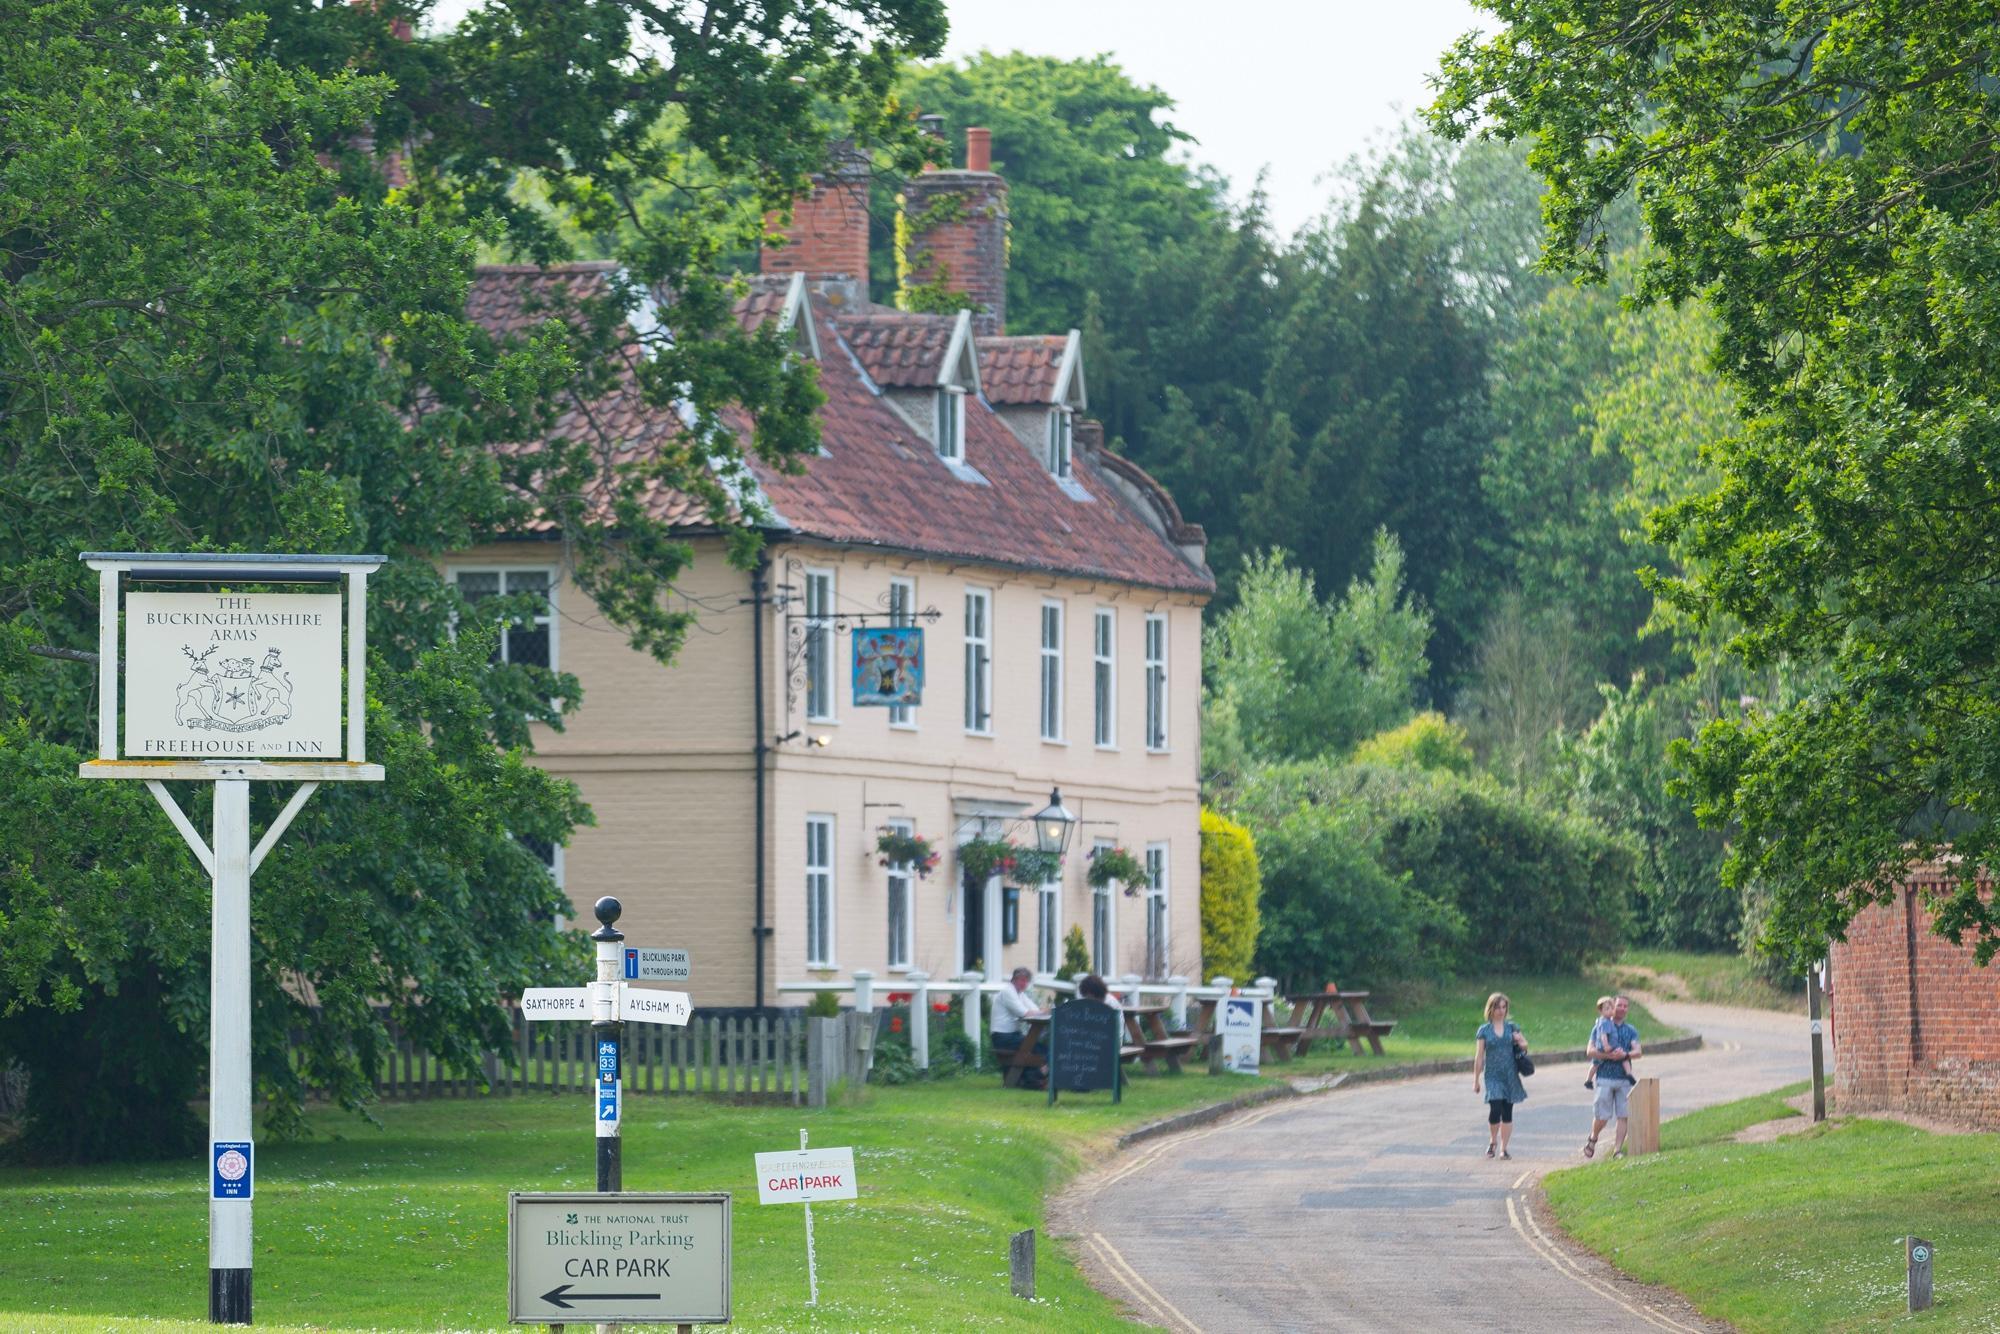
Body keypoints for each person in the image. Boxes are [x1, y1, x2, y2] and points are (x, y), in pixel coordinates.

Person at [1583, 994, 1642, 1158]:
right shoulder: (1600, 1026)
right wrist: (1610, 1056)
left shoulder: (1630, 1030)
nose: (1622, 1009)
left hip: (1624, 1079)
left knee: (1624, 1115)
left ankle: (1617, 1150)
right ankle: (1593, 1137)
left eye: (1625, 1006)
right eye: (1619, 1005)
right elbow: (1590, 1051)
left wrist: (1625, 1055)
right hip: (1605, 1078)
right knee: (1602, 1116)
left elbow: (1638, 1051)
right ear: (1611, 1007)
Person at [1472, 992, 1529, 1159]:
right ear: (1491, 1008)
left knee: (1507, 1111)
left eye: (1504, 1007)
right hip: (1493, 1075)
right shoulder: (1484, 1031)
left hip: (1510, 1074)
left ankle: (1504, 1149)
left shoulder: (1512, 1027)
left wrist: (1519, 1040)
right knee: (1495, 1108)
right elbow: (1479, 1056)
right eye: (1497, 1007)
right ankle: (1492, 1140)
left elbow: (1525, 1045)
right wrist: (1476, 1080)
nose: (1501, 1010)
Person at [990, 967, 1049, 1087]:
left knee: (1038, 1047)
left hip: (1012, 1035)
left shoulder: (1019, 994)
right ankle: (1041, 1074)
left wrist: (1042, 1012)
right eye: (1022, 980)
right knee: (1039, 1048)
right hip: (1002, 1038)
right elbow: (1024, 1013)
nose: (1024, 984)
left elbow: (1034, 1010)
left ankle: (1036, 1077)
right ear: (1014, 979)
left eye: (1026, 981)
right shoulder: (1008, 992)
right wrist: (1045, 1012)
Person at [1585, 996, 1631, 1092]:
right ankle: (1628, 1074)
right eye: (1607, 1009)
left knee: (1596, 1064)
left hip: (1607, 1046)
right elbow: (1603, 1036)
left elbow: (1638, 1052)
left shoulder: (1606, 1022)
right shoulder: (1604, 1022)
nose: (1611, 1011)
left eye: (1612, 1008)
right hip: (1605, 1047)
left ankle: (1588, 1080)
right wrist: (1607, 1048)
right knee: (1622, 1056)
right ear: (1601, 1011)